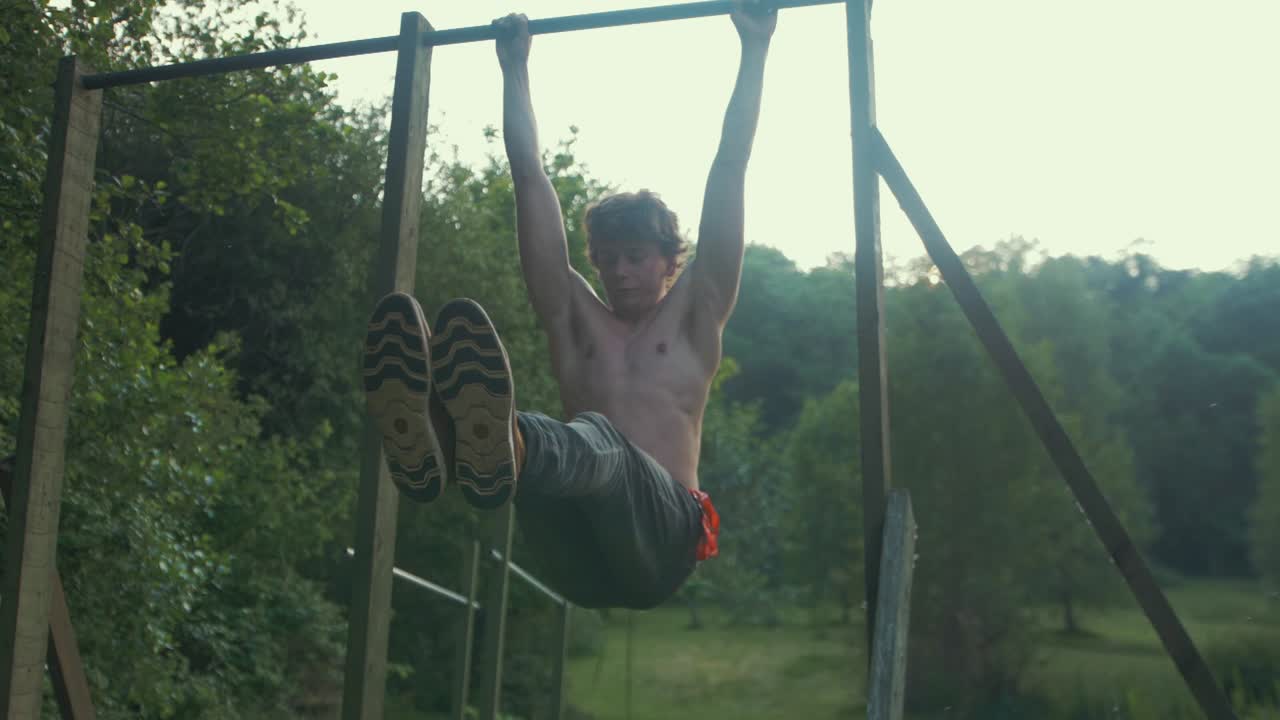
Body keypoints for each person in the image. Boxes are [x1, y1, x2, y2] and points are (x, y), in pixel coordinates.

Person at [362, 2, 775, 609]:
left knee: (599, 442)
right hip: (577, 565)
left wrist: (756, 50)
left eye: (635, 256)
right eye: (608, 257)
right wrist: (514, 69)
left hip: (662, 545)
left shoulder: (696, 316)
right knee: (554, 466)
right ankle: (441, 436)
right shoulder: (576, 321)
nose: (620, 271)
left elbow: (730, 166)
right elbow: (530, 177)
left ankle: (481, 440)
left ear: (669, 260)